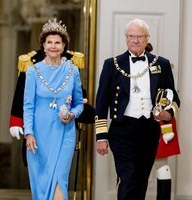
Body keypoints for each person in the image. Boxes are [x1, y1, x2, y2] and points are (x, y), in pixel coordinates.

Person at [95, 18, 180, 200]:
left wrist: (168, 113)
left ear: (147, 38)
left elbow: (173, 97)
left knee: (141, 180)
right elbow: (101, 103)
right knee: (128, 179)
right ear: (126, 38)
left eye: (139, 36)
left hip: (149, 130)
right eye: (131, 36)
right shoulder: (112, 64)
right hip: (121, 130)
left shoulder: (161, 64)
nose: (135, 40)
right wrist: (101, 136)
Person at [23, 19, 83, 200]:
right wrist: (29, 133)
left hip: (64, 132)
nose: (53, 46)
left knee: (59, 181)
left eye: (57, 42)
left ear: (64, 46)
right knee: (40, 186)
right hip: (39, 136)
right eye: (49, 42)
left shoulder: (73, 71)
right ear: (43, 45)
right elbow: (28, 106)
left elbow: (79, 103)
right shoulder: (33, 71)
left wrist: (73, 114)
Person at [146, 43, 181, 200]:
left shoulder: (160, 71)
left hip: (159, 126)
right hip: (137, 129)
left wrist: (167, 131)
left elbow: (168, 107)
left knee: (162, 167)